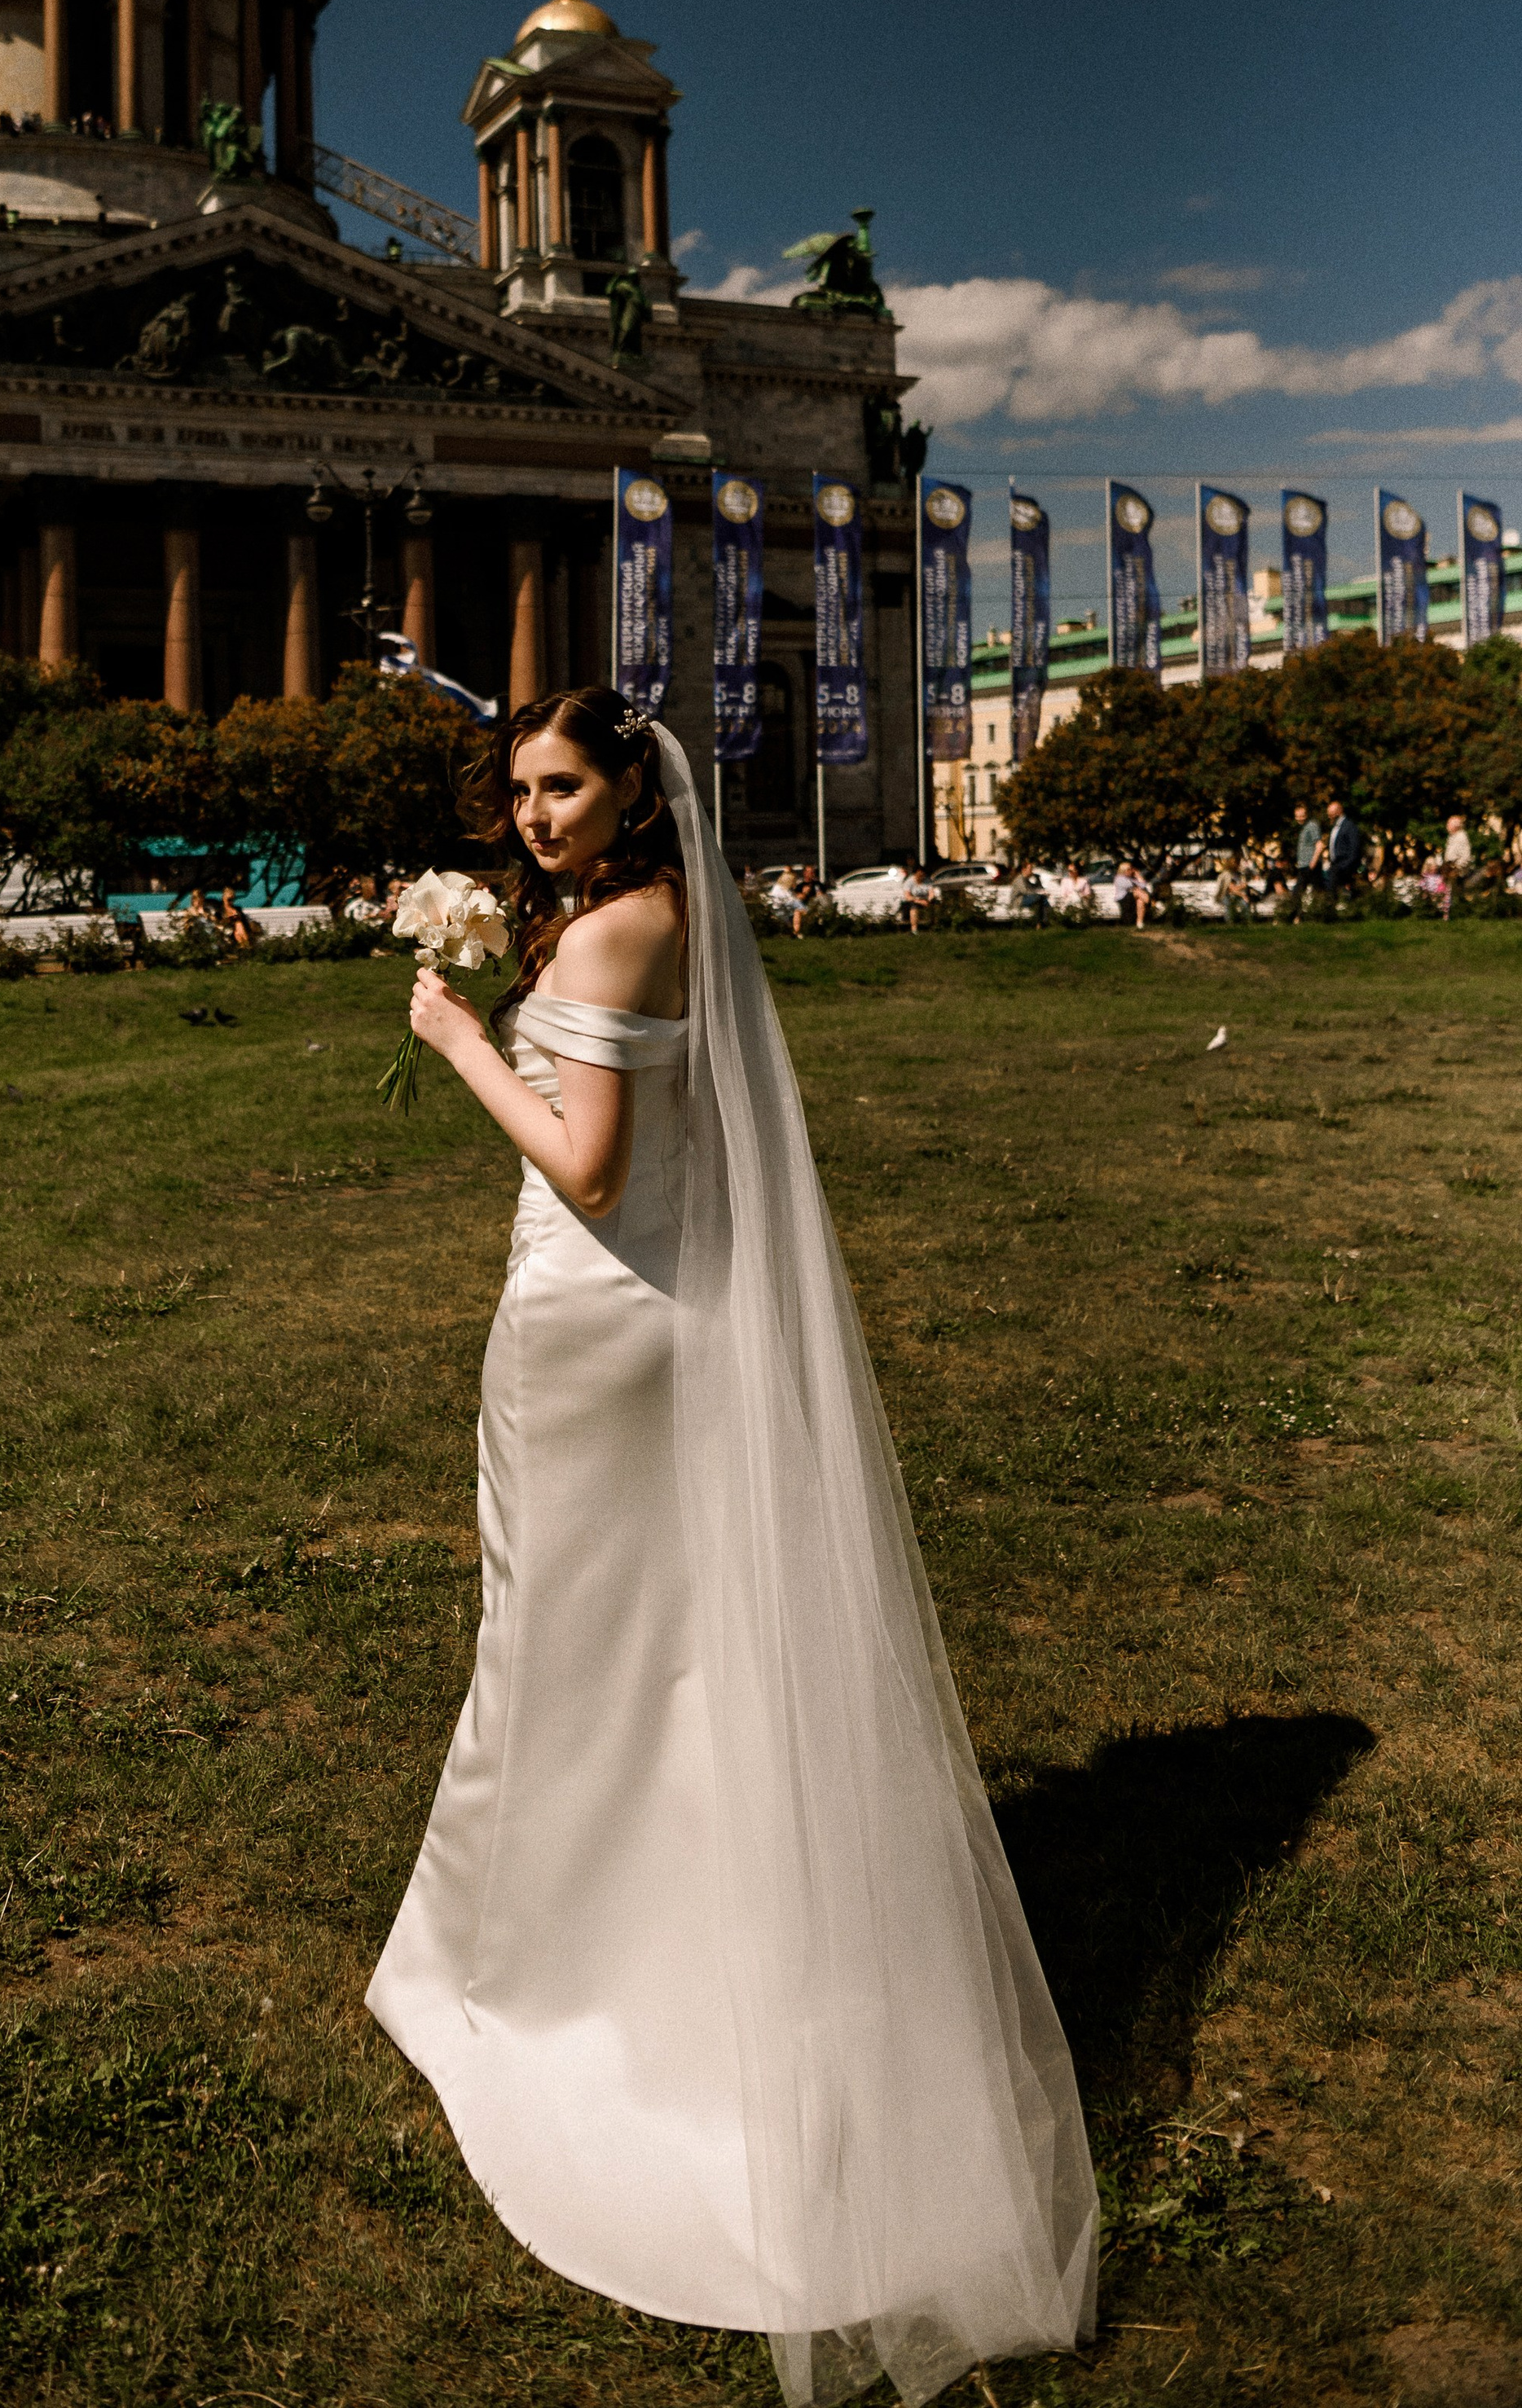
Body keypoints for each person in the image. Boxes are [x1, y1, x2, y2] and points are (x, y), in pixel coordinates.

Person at [371, 688, 1096, 2401]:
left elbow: (597, 1172)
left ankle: (562, 1984)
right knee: (646, 1648)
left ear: (632, 787)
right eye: (520, 788)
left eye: (563, 786)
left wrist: (463, 1040)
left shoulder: (618, 936)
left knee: (568, 1641)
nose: (531, 813)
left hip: (597, 1326)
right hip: (647, 1326)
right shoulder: (648, 909)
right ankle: (610, 1941)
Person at [1323, 796, 1363, 899]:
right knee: (1333, 889)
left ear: (1338, 812)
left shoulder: (1349, 826)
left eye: (1331, 814)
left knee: (1335, 891)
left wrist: (1346, 864)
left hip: (1344, 864)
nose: (1329, 817)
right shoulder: (1335, 827)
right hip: (1335, 864)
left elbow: (1355, 847)